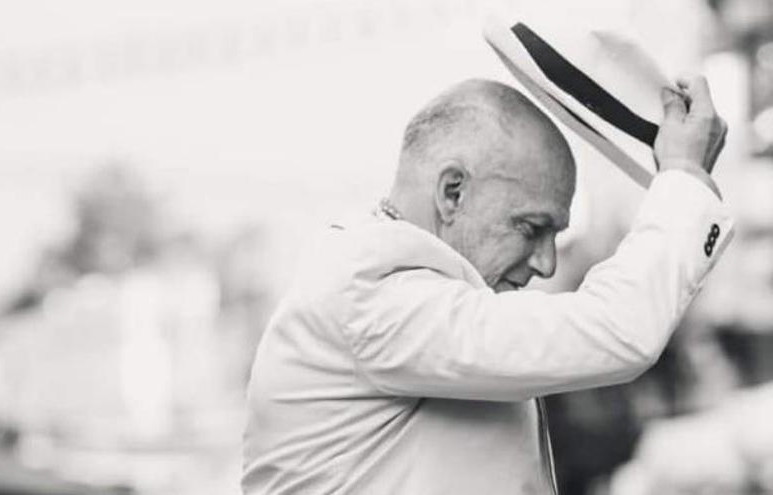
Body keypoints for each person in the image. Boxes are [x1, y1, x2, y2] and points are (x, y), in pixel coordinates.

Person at [242, 77, 730, 494]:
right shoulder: (371, 290)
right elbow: (616, 329)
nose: (546, 263)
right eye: (531, 228)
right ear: (452, 192)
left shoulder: (397, 285)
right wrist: (684, 179)